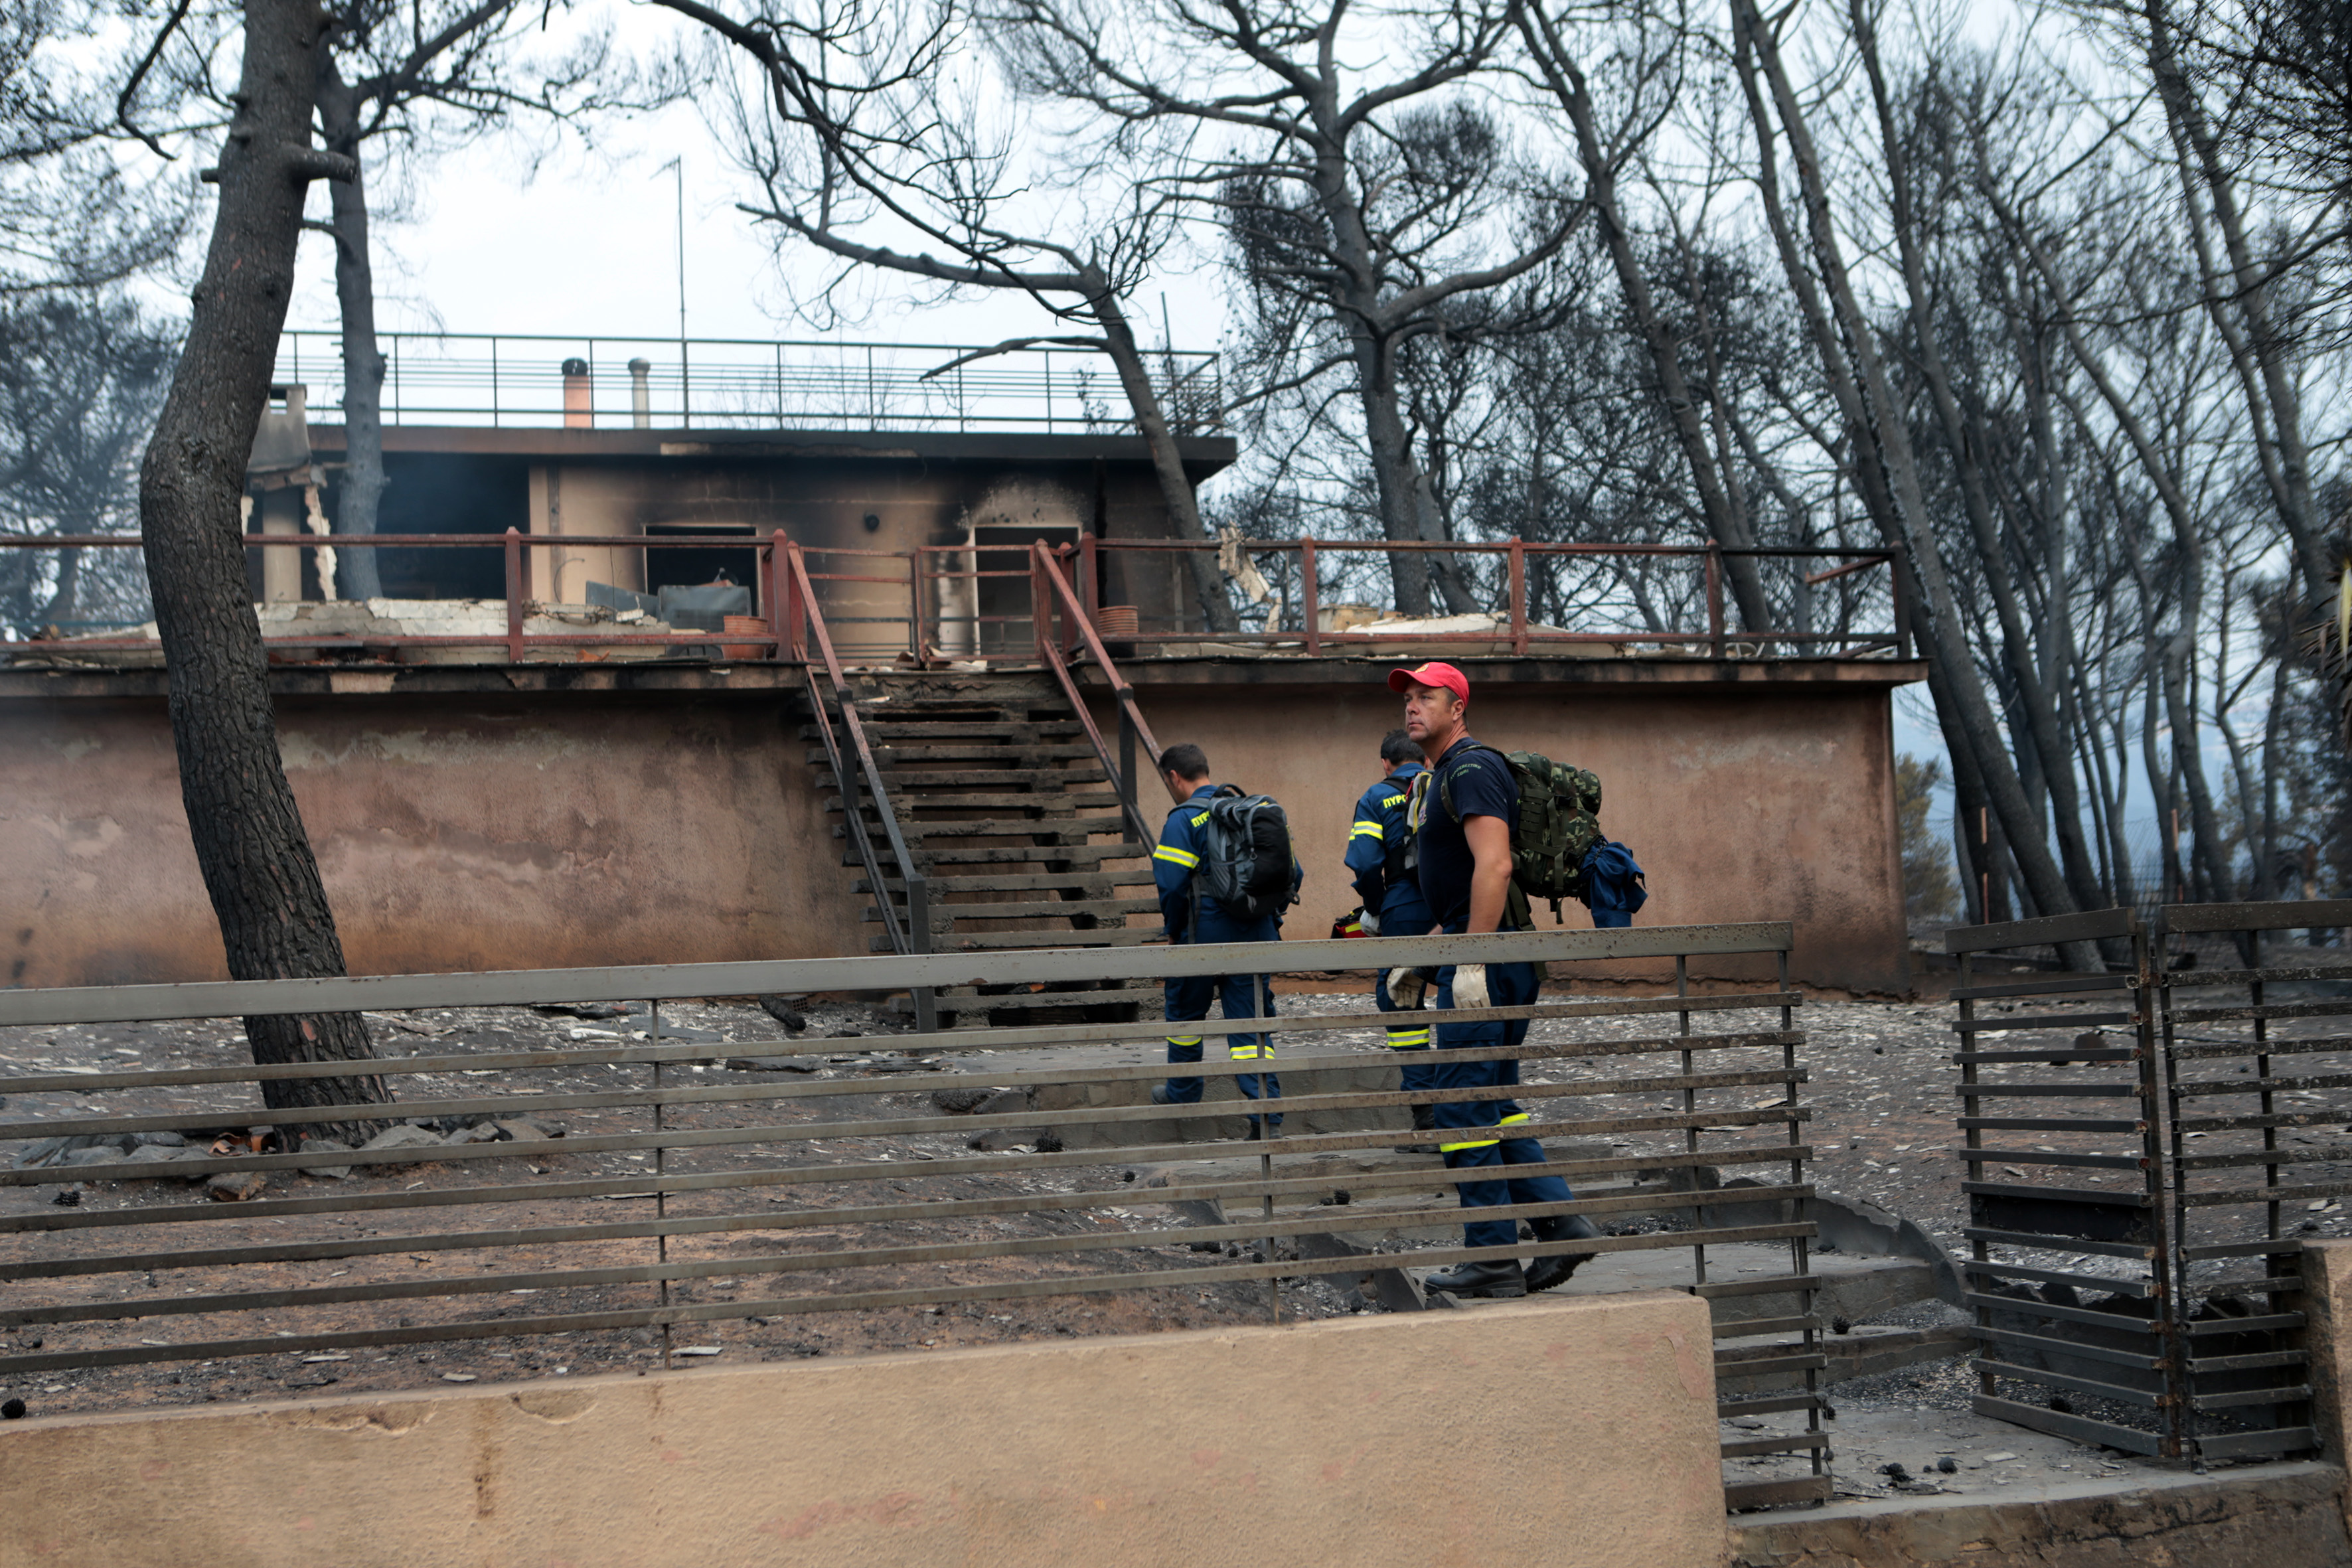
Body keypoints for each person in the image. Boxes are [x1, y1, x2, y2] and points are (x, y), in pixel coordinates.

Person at [1387, 661, 1603, 1298]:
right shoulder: (1445, 773)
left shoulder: (1472, 769)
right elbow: (1462, 885)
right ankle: (1560, 1224)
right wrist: (1432, 951)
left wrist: (1471, 958)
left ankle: (1492, 1260)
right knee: (1491, 1101)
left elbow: (1497, 863)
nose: (1412, 706)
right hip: (1485, 951)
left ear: (1458, 708)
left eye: (1428, 696)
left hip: (1491, 962)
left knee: (1459, 1106)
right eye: (1409, 697)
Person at [1148, 743, 1293, 1136]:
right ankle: (1266, 1118)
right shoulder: (1247, 810)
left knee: (1184, 1012)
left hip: (1203, 933)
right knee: (1250, 1028)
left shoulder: (1183, 819)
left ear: (1174, 777)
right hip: (1255, 934)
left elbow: (1172, 885)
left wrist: (1175, 930)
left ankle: (1182, 1090)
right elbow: (1290, 872)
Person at [1345, 728, 1437, 1147]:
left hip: (1403, 908)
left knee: (1404, 1003)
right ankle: (1476, 1108)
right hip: (1458, 908)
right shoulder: (1444, 783)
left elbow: (1365, 862)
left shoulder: (1376, 796)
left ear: (1386, 763)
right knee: (1464, 996)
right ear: (1424, 757)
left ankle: (1428, 1118)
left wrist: (1376, 906)